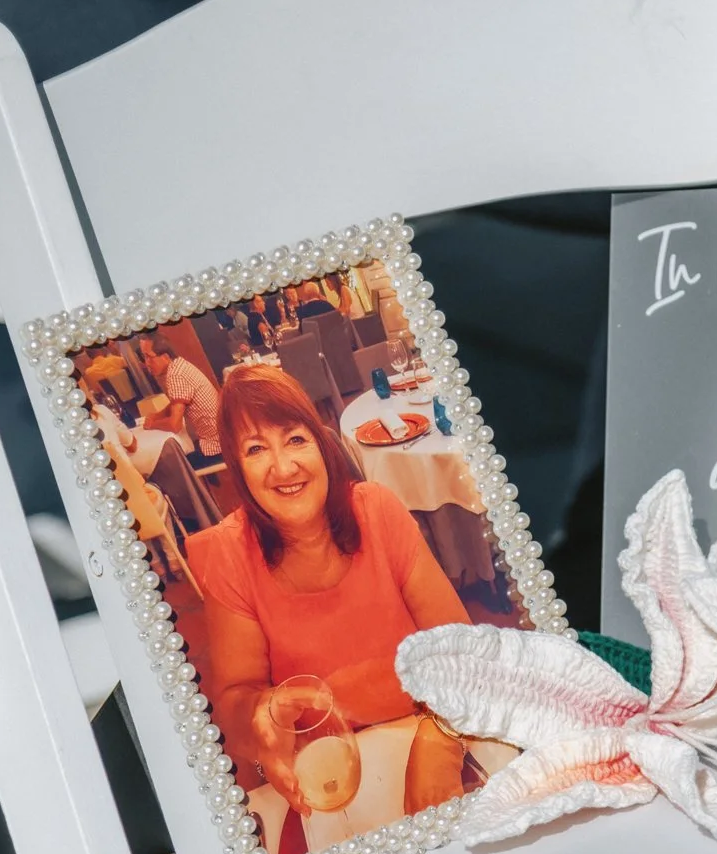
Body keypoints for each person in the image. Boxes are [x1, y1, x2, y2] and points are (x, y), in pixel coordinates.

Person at [186, 366, 470, 828]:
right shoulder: (229, 555)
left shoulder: (377, 510)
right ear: (238, 470)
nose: (283, 467)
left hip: (426, 730)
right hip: (325, 775)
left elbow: (462, 649)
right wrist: (261, 714)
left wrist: (440, 739)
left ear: (320, 443)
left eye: (295, 439)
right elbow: (236, 705)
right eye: (256, 449)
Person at [139, 333, 223, 467]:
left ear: (165, 357)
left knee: (168, 466)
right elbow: (176, 403)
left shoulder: (175, 375)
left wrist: (152, 425)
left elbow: (174, 425)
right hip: (222, 436)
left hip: (217, 446)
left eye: (149, 357)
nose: (146, 363)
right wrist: (156, 416)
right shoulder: (179, 365)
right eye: (144, 357)